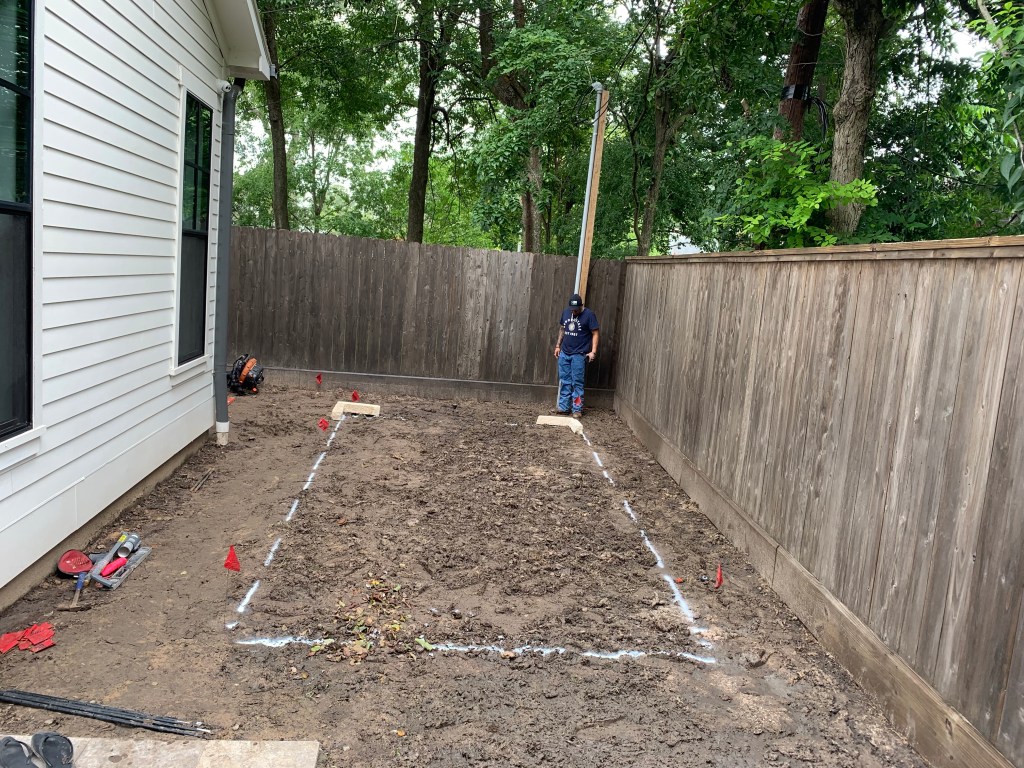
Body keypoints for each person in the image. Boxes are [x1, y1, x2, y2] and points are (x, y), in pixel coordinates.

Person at [553, 293, 599, 418]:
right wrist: (558, 346)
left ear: (581, 306)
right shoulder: (566, 312)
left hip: (579, 354)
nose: (574, 312)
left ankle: (577, 409)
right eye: (572, 309)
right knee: (565, 381)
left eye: (576, 310)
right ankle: (564, 407)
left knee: (577, 383)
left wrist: (593, 351)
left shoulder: (589, 315)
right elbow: (562, 328)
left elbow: (595, 333)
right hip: (564, 353)